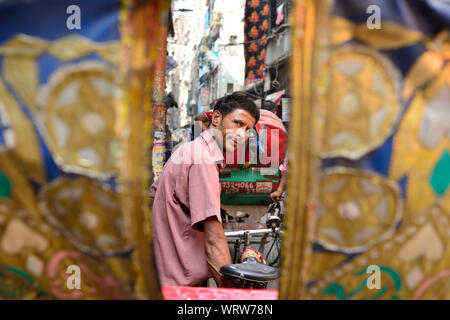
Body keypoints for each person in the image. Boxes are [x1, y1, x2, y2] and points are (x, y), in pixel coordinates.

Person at [149, 92, 259, 287]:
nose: (242, 135)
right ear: (216, 118)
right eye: (238, 123)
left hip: (163, 275)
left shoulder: (189, 149)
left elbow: (152, 196)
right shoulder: (204, 160)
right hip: (179, 283)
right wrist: (230, 295)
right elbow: (213, 239)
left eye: (248, 130)